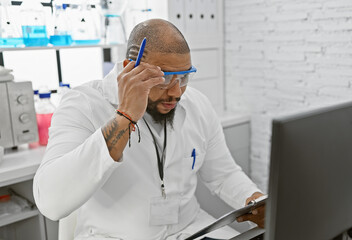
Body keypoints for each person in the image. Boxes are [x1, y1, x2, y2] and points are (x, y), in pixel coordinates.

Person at [33, 19, 264, 240]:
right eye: (163, 78)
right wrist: (125, 116)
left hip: (191, 230)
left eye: (184, 77)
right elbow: (51, 203)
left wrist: (256, 200)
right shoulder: (84, 105)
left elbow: (223, 175)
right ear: (129, 70)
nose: (176, 92)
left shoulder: (197, 105)